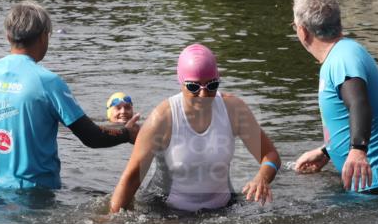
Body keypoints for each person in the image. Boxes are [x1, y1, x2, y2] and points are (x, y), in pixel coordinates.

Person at [0, 1, 140, 190]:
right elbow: (92, 136)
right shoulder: (48, 82)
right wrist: (126, 133)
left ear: (8, 37)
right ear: (43, 37)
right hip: (36, 195)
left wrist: (2, 133)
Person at [109, 44, 280, 213]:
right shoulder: (162, 118)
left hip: (222, 209)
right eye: (193, 87)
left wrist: (262, 177)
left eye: (212, 85)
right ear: (181, 82)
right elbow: (131, 178)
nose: (203, 95)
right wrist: (111, 219)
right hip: (167, 211)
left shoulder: (234, 109)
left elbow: (270, 155)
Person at [290, 0, 378, 193]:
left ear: (302, 31)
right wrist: (327, 151)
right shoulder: (345, 53)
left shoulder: (342, 58)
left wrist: (358, 150)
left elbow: (358, 103)